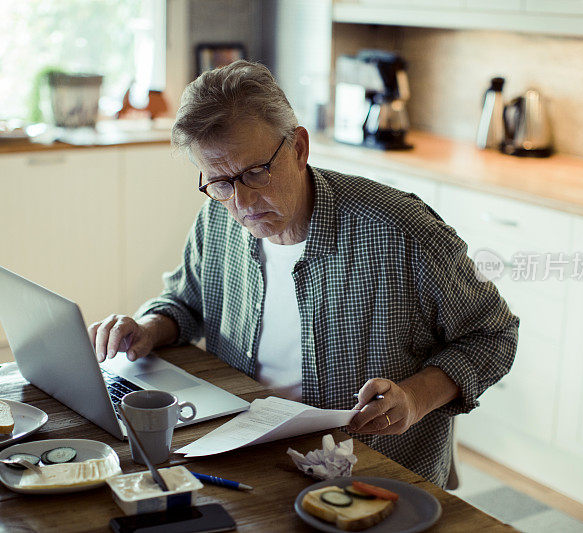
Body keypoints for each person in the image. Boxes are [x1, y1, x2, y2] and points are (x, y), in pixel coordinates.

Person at [89, 60, 518, 488]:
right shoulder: (215, 220)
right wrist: (147, 328)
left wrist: (415, 398)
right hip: (249, 454)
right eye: (219, 183)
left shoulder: (402, 231)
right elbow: (184, 303)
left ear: (298, 148)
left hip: (373, 471)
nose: (241, 201)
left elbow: (495, 336)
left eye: (255, 171)